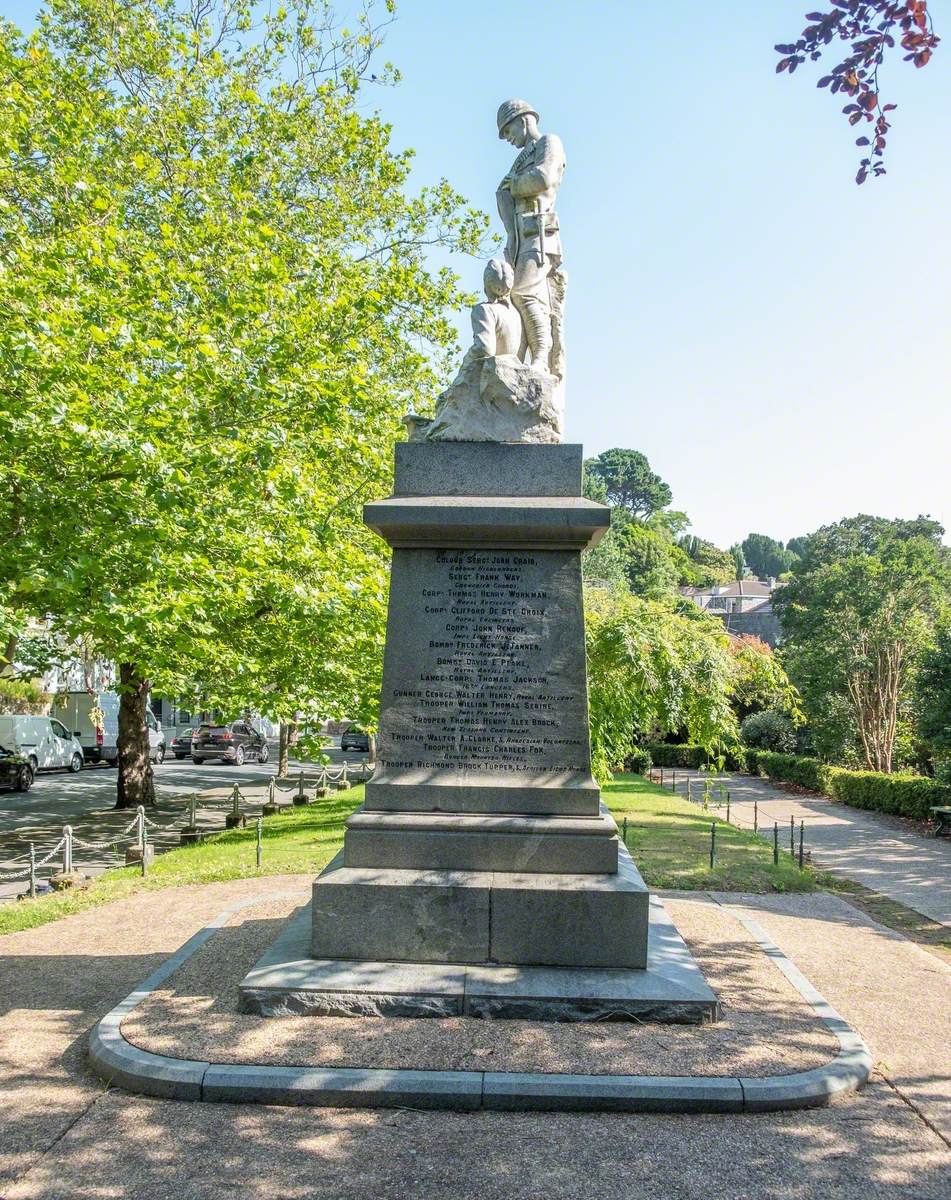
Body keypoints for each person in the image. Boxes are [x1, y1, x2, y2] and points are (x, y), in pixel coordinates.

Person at [495, 98, 566, 374]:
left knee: (524, 293)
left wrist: (513, 186)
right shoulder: (521, 159)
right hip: (521, 237)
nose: (509, 139)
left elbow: (543, 178)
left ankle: (541, 357)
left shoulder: (549, 143)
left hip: (539, 234)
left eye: (509, 131)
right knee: (513, 296)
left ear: (523, 120)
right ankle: (519, 357)